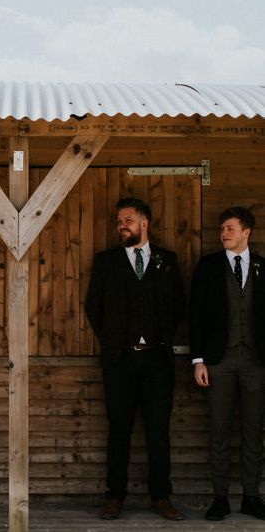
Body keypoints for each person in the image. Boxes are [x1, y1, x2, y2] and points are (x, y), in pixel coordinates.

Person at [85, 197, 185, 521]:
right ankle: (114, 497)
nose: (121, 225)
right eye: (118, 221)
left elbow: (178, 306)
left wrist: (159, 339)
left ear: (145, 223)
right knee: (119, 431)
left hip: (158, 361)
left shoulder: (166, 260)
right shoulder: (106, 262)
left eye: (127, 219)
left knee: (158, 432)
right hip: (120, 361)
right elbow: (93, 308)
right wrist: (115, 343)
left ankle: (161, 496)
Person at [189, 206, 265, 521]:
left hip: (256, 362)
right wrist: (198, 360)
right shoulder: (207, 267)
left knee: (253, 430)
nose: (224, 234)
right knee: (218, 430)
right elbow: (197, 316)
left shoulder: (263, 267)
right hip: (218, 361)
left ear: (246, 232)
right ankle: (219, 498)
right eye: (222, 228)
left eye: (230, 228)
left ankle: (251, 496)